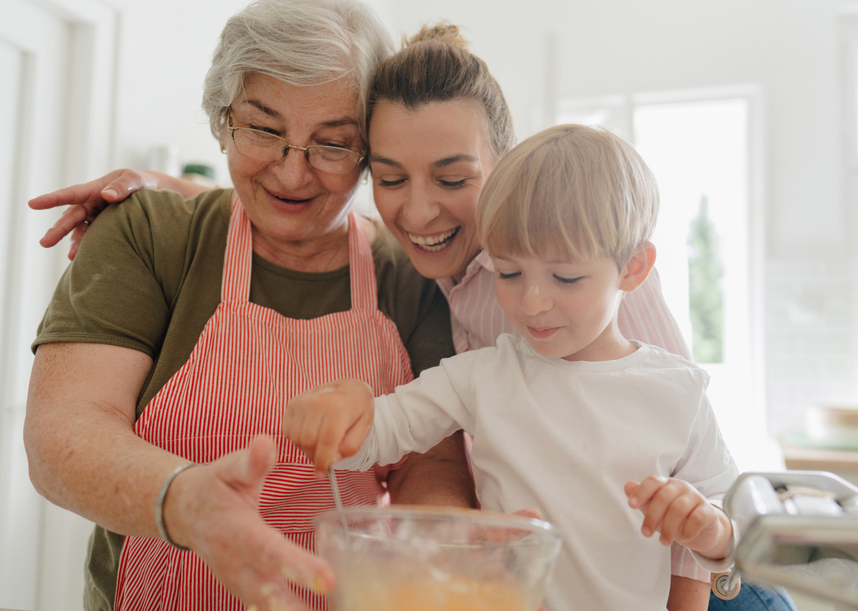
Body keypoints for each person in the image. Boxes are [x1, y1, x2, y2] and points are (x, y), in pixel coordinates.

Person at [31, 22, 796, 611]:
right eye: (390, 177)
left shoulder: (588, 289)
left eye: (454, 177)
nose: (420, 210)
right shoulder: (416, 273)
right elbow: (406, 419)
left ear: (506, 166)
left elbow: (678, 470)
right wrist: (168, 189)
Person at [23, 2, 477, 611]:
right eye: (264, 129)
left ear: (370, 150)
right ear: (222, 118)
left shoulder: (410, 278)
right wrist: (185, 502)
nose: (292, 173)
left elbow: (433, 467)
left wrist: (439, 556)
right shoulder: (151, 234)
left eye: (333, 144)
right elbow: (63, 434)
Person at [286, 124, 738, 611]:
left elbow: (737, 529)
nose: (533, 301)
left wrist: (710, 529)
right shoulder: (482, 376)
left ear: (633, 267)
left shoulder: (678, 391)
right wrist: (342, 419)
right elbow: (381, 432)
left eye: (565, 276)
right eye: (510, 272)